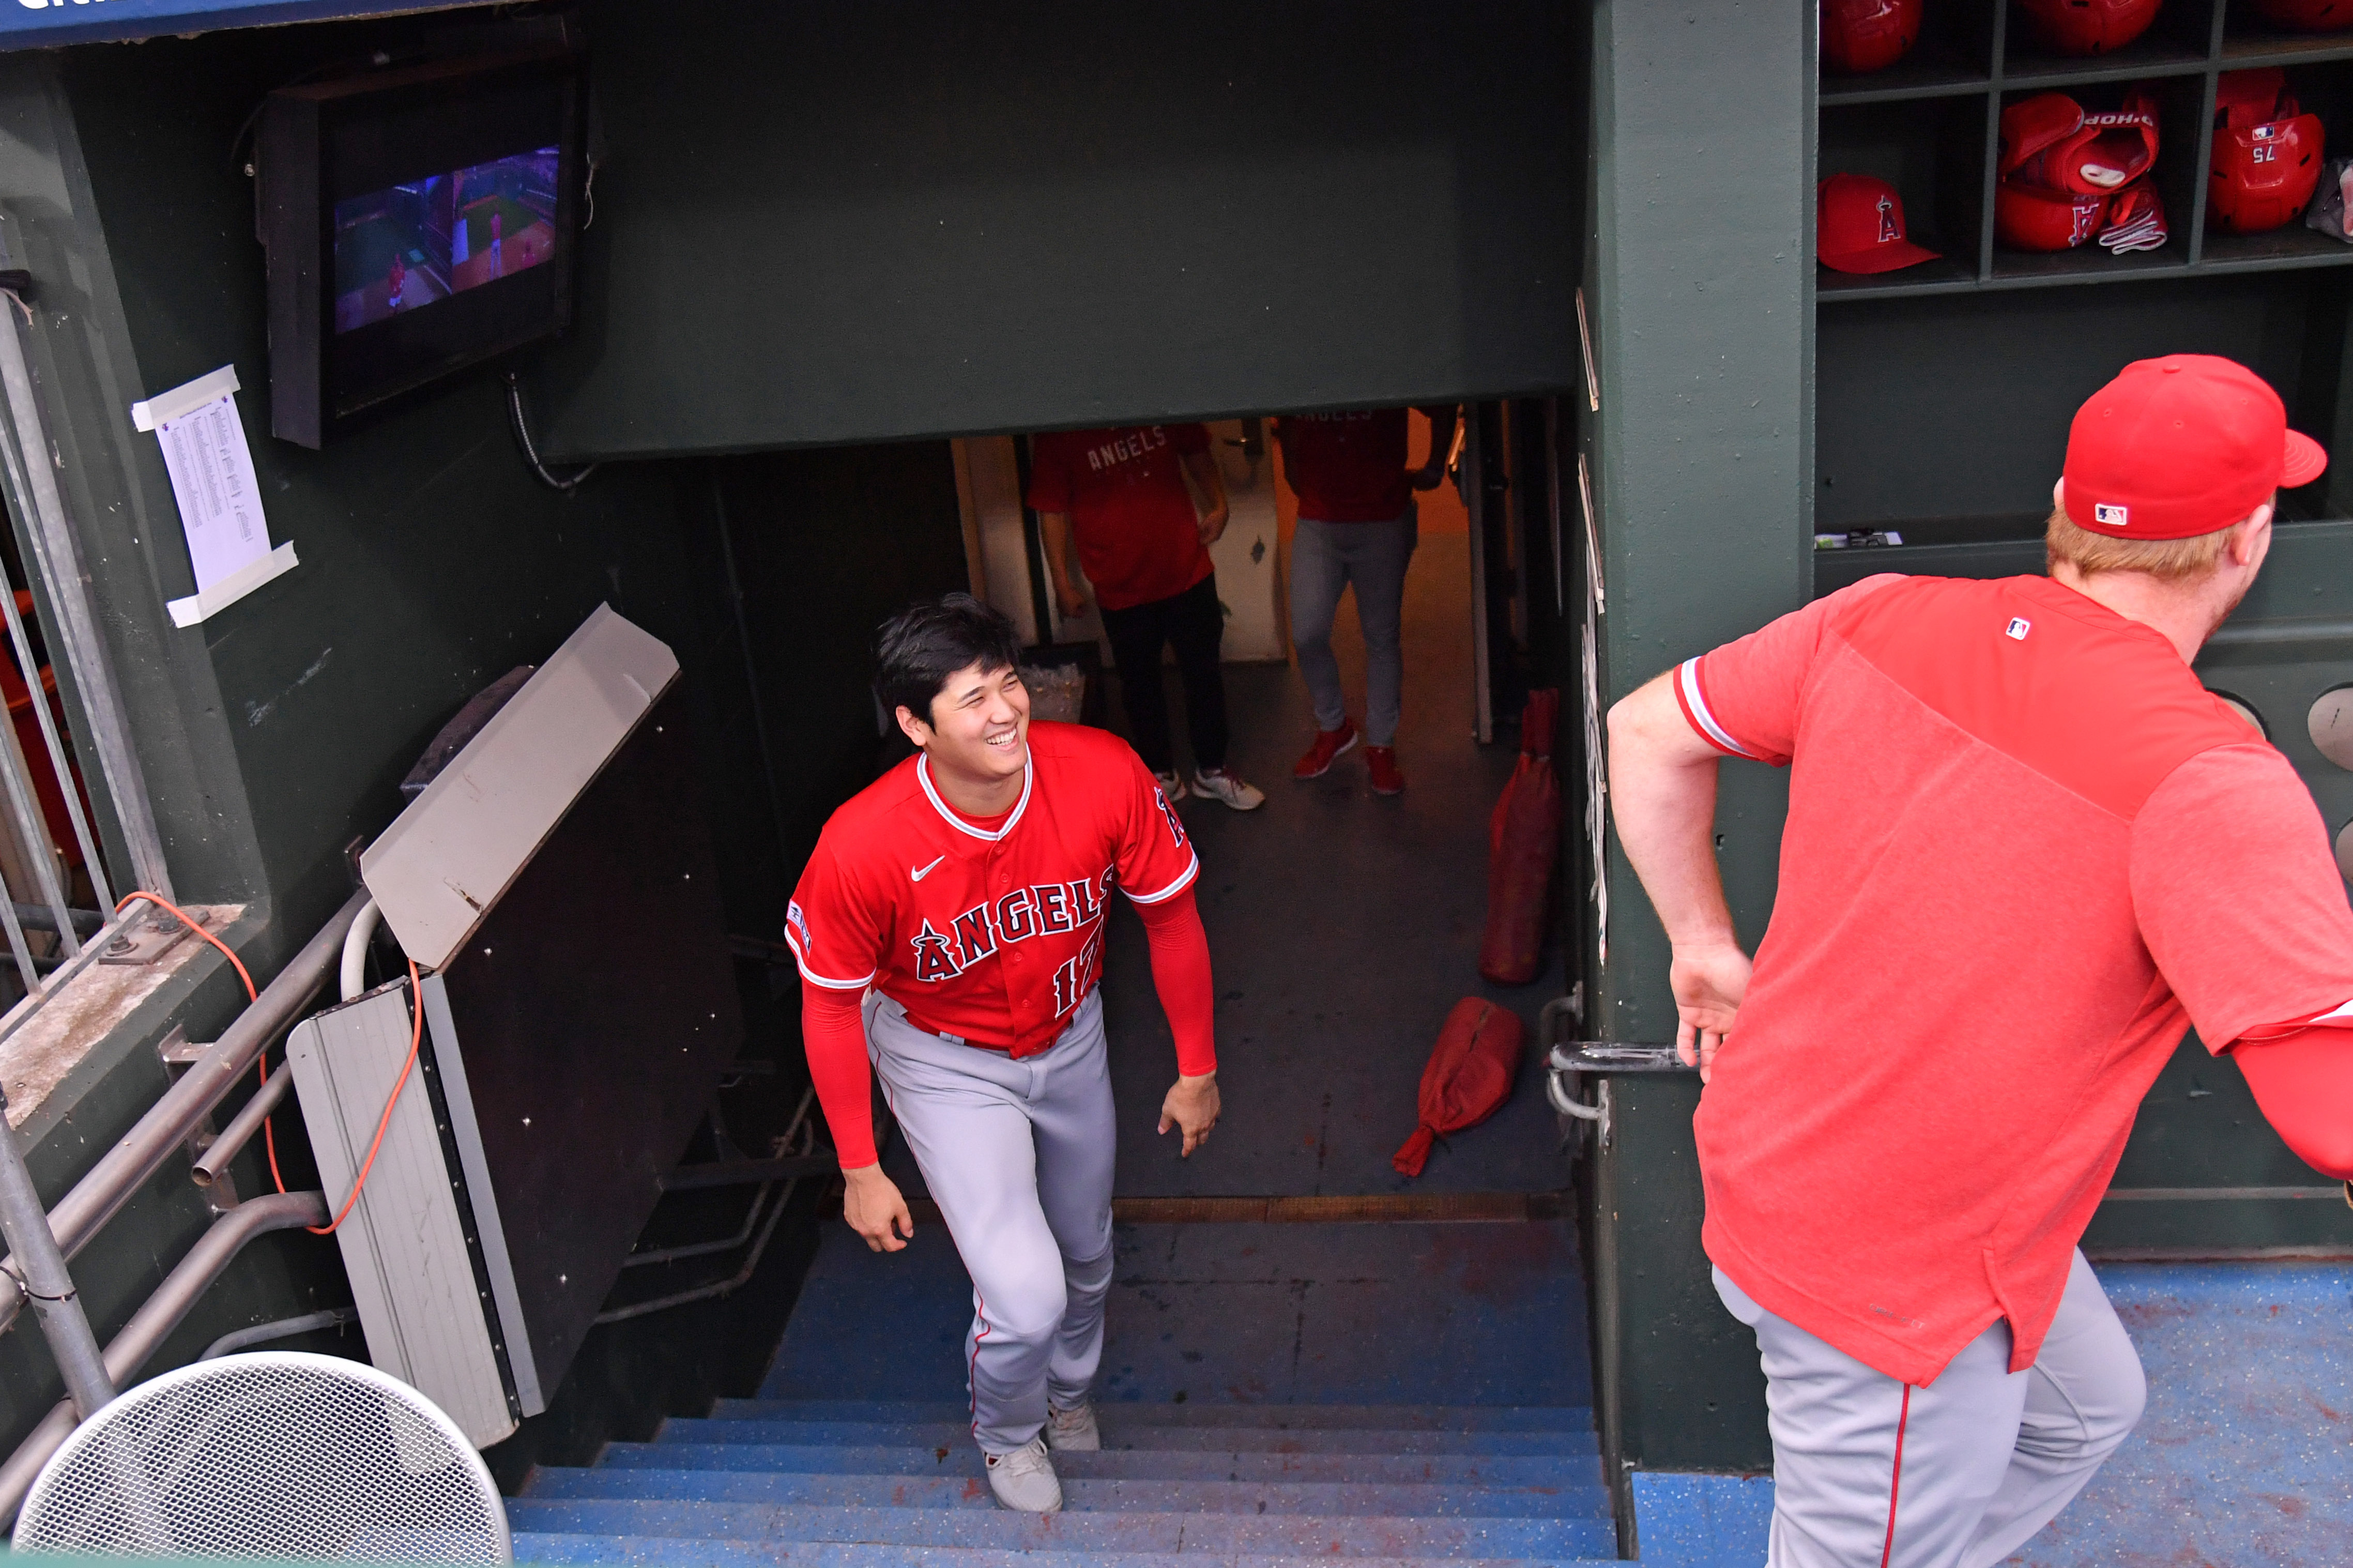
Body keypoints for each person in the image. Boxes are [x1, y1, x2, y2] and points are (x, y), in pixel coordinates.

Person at [1606, 353, 2353, 1568]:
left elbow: (1640, 730)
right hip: (1897, 1275)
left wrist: (1703, 947)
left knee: (2085, 1414)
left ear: (2062, 505)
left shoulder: (1884, 614)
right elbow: (2334, 1111)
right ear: (2247, 540)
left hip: (1807, 1169)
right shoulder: (2208, 777)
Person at [784, 594, 1224, 1514]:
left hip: (1070, 1035)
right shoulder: (861, 844)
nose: (1003, 711)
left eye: (1007, 683)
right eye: (970, 698)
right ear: (914, 725)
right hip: (941, 1058)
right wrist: (860, 1164)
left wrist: (1197, 1067)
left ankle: (1070, 1393)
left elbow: (1172, 917)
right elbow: (828, 1008)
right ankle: (1009, 1429)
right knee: (1023, 1291)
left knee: (1086, 1249)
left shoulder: (1101, 771)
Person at [1030, 423, 1265, 811]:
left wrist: (1219, 504)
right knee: (1140, 687)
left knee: (1204, 674)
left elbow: (1196, 450)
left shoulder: (1154, 396)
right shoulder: (1061, 428)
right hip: (1120, 584)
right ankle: (1161, 776)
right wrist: (1061, 583)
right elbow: (1051, 508)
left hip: (1186, 570)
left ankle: (1213, 770)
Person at [1275, 404, 1458, 794]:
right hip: (1319, 519)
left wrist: (1435, 465)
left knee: (1381, 637)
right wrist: (1294, 473)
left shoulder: (1382, 356)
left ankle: (1380, 744)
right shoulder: (1305, 362)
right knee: (1307, 633)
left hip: (1382, 516)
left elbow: (1442, 402)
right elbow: (1285, 418)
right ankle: (1334, 727)